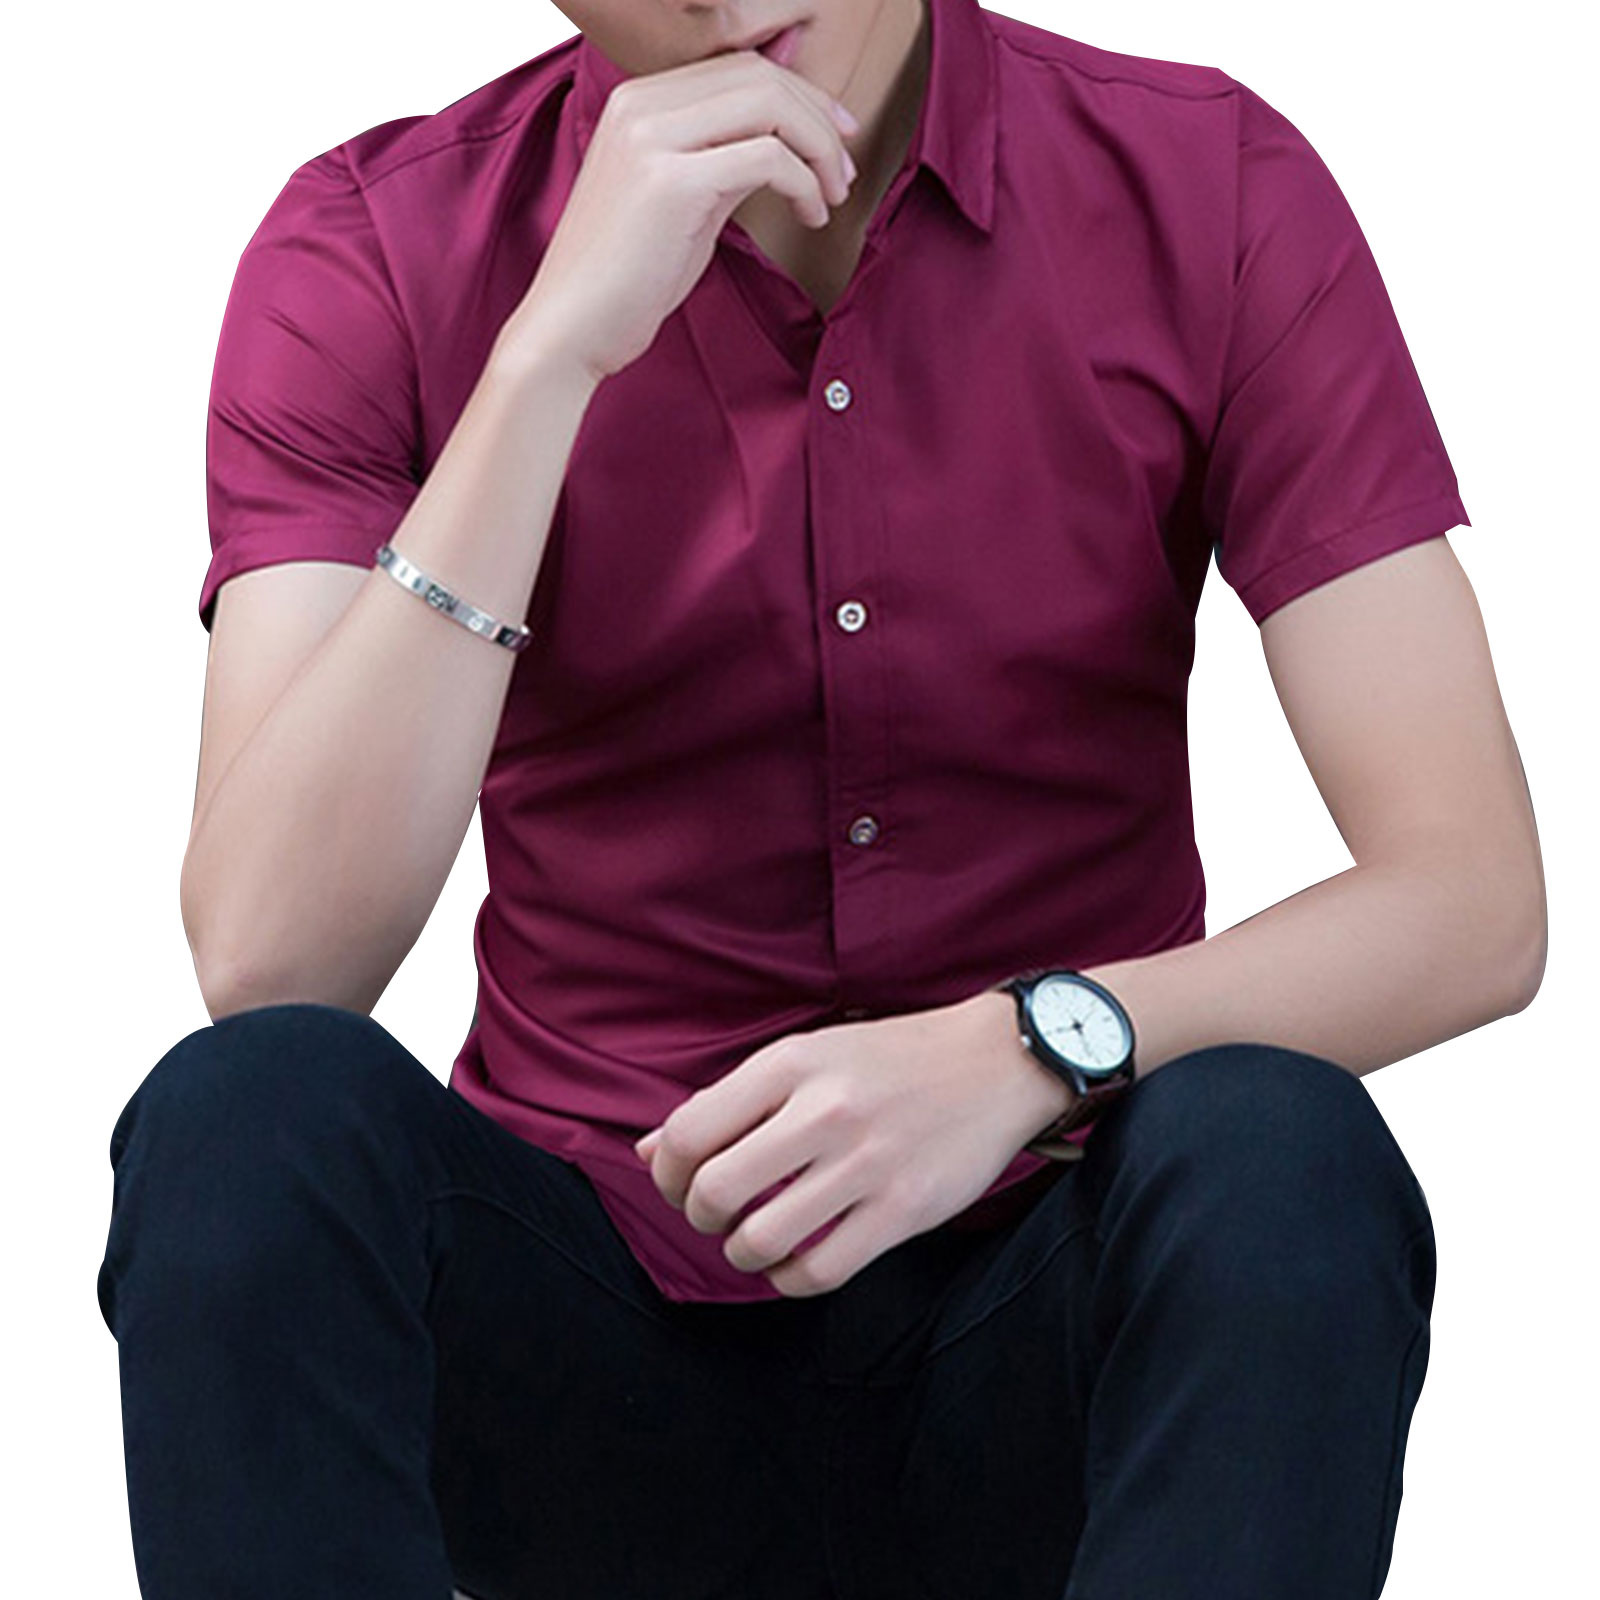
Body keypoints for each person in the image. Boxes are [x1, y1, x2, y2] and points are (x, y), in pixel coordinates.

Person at [96, 0, 1545, 1596]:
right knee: (246, 1123)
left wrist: (1027, 1050)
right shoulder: (376, 241)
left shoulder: (1208, 184)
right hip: (581, 1359)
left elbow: (1470, 900)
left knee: (1279, 1148)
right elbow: (275, 960)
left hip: (1051, 1347)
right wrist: (549, 355)